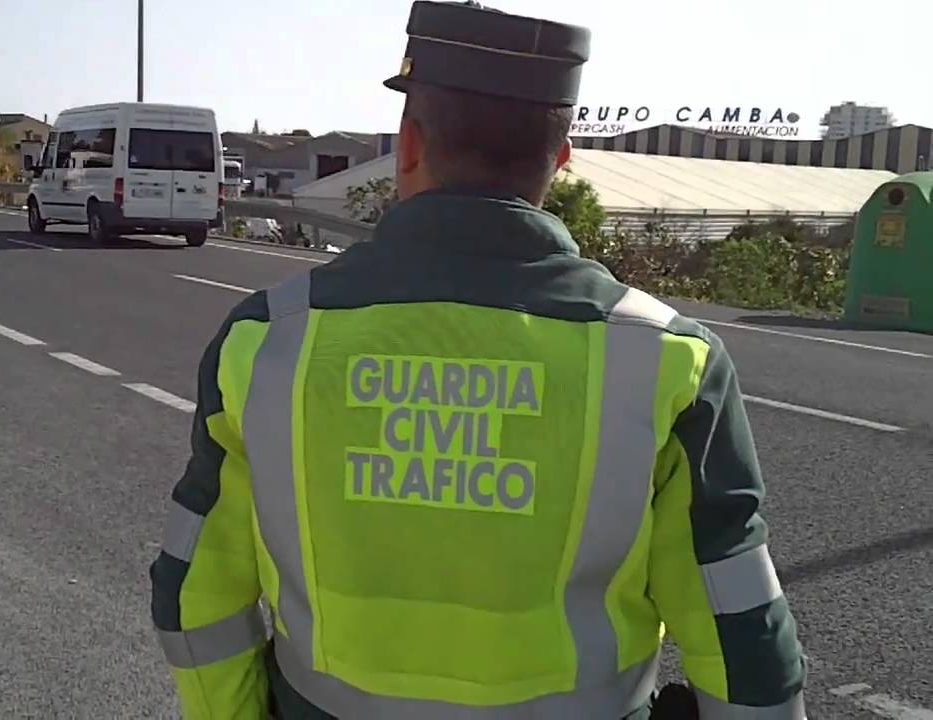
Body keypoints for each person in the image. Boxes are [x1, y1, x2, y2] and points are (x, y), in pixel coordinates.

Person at [149, 1, 808, 718]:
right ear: (560, 160)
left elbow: (194, 593)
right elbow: (740, 632)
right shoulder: (670, 361)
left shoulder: (268, 338)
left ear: (407, 144)